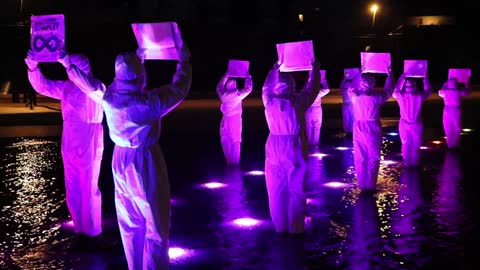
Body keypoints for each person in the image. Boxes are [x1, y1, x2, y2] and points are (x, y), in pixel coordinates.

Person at [59, 44, 192, 269]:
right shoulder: (149, 102)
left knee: (129, 223)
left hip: (119, 161)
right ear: (140, 76)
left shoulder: (109, 98)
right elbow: (179, 89)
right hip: (145, 159)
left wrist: (67, 64)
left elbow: (88, 85)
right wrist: (184, 63)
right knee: (155, 223)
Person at [24, 50, 104, 239]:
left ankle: (92, 231)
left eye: (74, 66)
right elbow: (43, 86)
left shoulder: (97, 86)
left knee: (89, 184)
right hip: (69, 136)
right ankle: (79, 228)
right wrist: (33, 67)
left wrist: (69, 66)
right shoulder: (67, 87)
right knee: (73, 184)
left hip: (88, 136)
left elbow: (88, 88)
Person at [262, 59, 321, 234]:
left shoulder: (269, 100)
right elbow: (312, 88)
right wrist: (314, 70)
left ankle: (280, 225)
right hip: (293, 143)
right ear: (292, 86)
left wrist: (273, 71)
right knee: (296, 186)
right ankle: (296, 226)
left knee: (275, 186)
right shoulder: (298, 101)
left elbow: (266, 88)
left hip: (274, 143)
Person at [349, 70, 394, 191]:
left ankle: (362, 184)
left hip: (359, 126)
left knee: (360, 155)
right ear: (372, 84)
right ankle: (370, 184)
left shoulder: (355, 96)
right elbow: (389, 91)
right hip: (372, 126)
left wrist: (359, 72)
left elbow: (351, 86)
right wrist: (390, 76)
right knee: (373, 156)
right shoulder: (377, 97)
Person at [393, 73, 432, 167]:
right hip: (416, 123)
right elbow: (429, 90)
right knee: (416, 144)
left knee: (406, 143)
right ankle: (414, 163)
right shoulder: (419, 95)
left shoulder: (400, 96)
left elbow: (395, 90)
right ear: (415, 86)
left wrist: (402, 78)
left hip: (404, 123)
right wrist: (425, 78)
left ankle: (407, 163)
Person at [216, 73, 253, 165]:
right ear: (234, 86)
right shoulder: (237, 95)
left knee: (225, 139)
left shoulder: (223, 94)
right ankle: (234, 163)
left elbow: (219, 87)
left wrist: (225, 76)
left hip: (225, 120)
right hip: (235, 121)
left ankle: (229, 161)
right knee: (235, 141)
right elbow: (248, 89)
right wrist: (248, 78)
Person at [438, 77, 471, 149]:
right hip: (456, 110)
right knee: (456, 127)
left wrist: (445, 84)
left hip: (447, 110)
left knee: (448, 127)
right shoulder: (458, 91)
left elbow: (439, 91)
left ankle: (450, 144)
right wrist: (468, 82)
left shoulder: (445, 91)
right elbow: (468, 91)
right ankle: (455, 144)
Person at [305, 70, 330, 146]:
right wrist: (323, 80)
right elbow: (327, 89)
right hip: (315, 109)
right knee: (315, 126)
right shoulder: (315, 91)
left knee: (310, 126)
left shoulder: (307, 90)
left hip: (310, 109)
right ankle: (314, 143)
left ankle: (310, 143)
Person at [340, 70, 357, 135]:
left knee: (350, 118)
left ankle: (350, 131)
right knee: (347, 118)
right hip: (347, 104)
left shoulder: (349, 88)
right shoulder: (344, 87)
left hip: (350, 104)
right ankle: (348, 132)